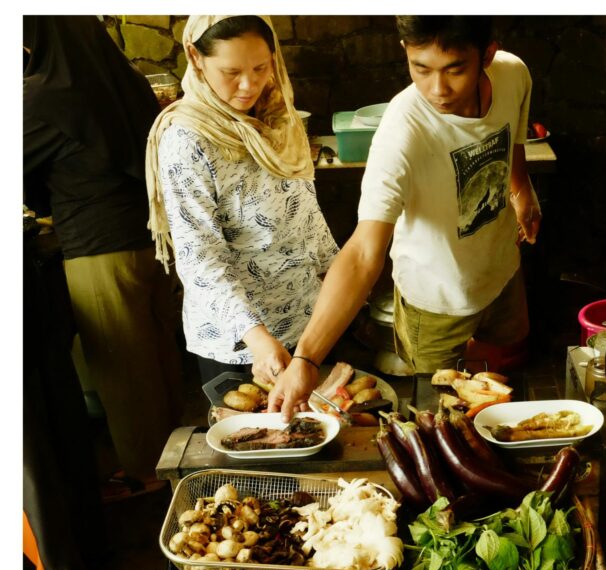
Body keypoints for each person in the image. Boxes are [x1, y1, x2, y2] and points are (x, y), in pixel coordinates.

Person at [268, 16, 541, 417]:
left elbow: (511, 139)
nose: (438, 89)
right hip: (436, 300)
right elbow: (363, 251)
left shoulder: (513, 74)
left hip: (501, 269)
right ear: (405, 52)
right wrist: (306, 359)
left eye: (454, 69)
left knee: (499, 378)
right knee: (441, 415)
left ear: (487, 54)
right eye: (421, 68)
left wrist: (523, 192)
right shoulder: (403, 129)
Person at [23, 15, 184, 497]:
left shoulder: (40, 97)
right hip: (153, 242)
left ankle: (147, 474)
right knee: (158, 357)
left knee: (120, 369)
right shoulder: (127, 80)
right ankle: (173, 453)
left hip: (96, 250)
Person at [146, 15, 338, 390]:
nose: (249, 84)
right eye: (231, 71)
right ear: (195, 57)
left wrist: (337, 283)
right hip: (240, 345)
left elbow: (306, 214)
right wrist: (258, 338)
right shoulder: (187, 140)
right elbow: (200, 257)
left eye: (261, 67)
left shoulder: (278, 117)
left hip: (309, 325)